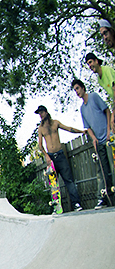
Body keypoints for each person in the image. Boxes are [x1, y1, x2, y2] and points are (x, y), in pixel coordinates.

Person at [72, 79, 113, 209]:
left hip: (108, 138)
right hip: (98, 142)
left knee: (113, 167)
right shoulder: (82, 109)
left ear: (83, 88)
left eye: (78, 88)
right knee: (101, 171)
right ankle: (103, 198)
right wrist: (93, 138)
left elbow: (107, 111)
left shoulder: (94, 97)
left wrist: (109, 131)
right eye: (75, 90)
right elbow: (87, 127)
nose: (77, 92)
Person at [36, 105, 84, 212]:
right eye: (39, 114)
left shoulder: (55, 123)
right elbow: (40, 145)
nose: (40, 115)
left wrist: (82, 131)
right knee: (53, 184)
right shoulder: (41, 129)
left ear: (46, 112)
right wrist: (47, 156)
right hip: (51, 158)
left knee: (69, 180)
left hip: (60, 155)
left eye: (41, 112)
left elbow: (69, 129)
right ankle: (56, 206)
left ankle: (76, 203)